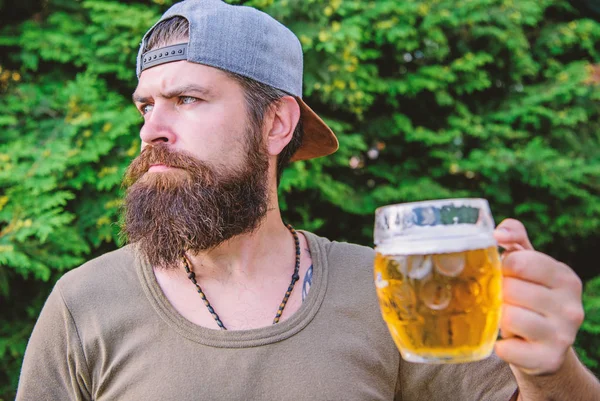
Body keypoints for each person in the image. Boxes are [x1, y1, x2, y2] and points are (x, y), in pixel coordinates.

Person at [16, 0, 600, 400]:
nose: (150, 131)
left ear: (275, 124)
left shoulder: (389, 290)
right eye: (146, 106)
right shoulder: (83, 304)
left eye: (187, 99)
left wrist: (549, 371)